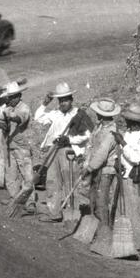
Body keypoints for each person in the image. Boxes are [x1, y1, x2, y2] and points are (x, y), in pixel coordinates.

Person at [34, 82, 93, 222]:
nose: (63, 103)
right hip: (54, 150)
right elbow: (38, 117)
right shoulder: (56, 114)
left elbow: (88, 135)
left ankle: (71, 214)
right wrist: (45, 103)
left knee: (70, 182)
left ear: (71, 99)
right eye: (61, 100)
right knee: (52, 181)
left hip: (70, 152)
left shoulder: (79, 114)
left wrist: (69, 139)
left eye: (66, 99)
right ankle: (54, 212)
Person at [110, 102, 140, 257]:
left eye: (129, 120)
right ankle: (120, 244)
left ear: (135, 121)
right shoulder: (127, 133)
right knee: (119, 210)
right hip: (121, 176)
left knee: (132, 212)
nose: (126, 122)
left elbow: (136, 157)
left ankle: (135, 247)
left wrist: (122, 142)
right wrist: (117, 160)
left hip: (133, 179)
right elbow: (120, 153)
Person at [79, 98, 121, 225]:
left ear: (103, 115)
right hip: (96, 168)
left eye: (98, 113)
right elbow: (91, 144)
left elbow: (102, 154)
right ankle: (94, 226)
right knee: (93, 197)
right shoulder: (99, 127)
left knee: (101, 200)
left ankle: (104, 228)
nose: (96, 115)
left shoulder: (111, 132)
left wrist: (89, 168)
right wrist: (86, 160)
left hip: (105, 170)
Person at [0, 81, 34, 204]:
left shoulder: (24, 108)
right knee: (10, 174)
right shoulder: (7, 108)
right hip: (9, 145)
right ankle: (14, 197)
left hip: (21, 145)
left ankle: (30, 202)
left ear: (19, 96)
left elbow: (20, 119)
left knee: (26, 174)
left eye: (14, 97)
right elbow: (0, 120)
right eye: (10, 97)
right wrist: (3, 124)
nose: (12, 99)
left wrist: (11, 118)